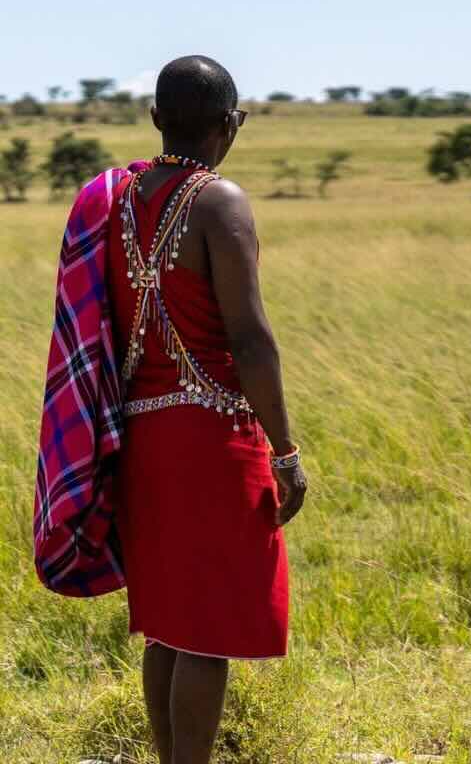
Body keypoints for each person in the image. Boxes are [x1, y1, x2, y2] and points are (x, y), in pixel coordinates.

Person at [106, 55, 307, 763]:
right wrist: (285, 451)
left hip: (140, 436)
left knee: (167, 623)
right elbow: (250, 339)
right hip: (213, 438)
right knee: (209, 630)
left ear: (157, 119)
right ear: (231, 124)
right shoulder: (220, 201)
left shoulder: (116, 200)